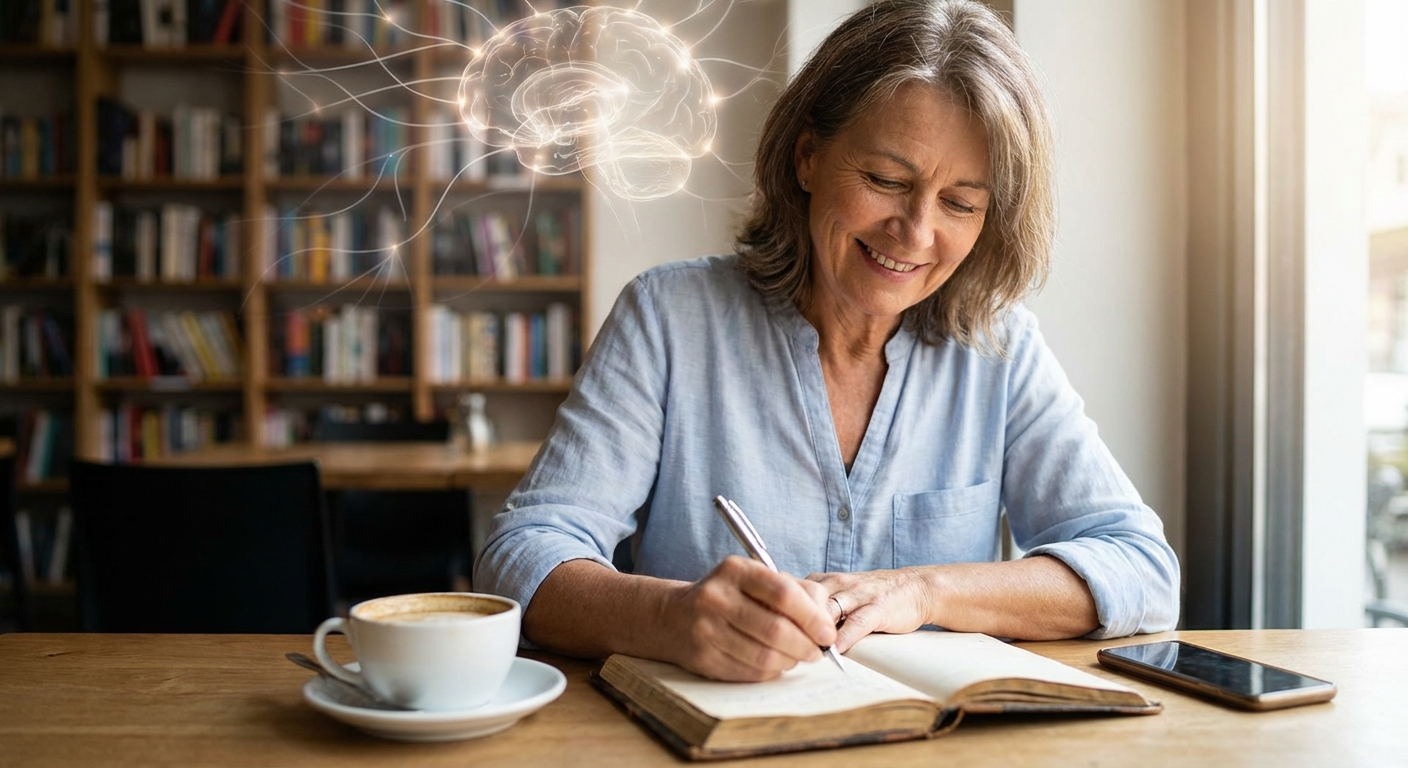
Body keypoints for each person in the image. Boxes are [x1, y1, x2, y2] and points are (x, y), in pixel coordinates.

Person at [473, 0, 1179, 682]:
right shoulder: (669, 317)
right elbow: (519, 557)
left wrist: (925, 591)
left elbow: (1141, 569)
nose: (916, 232)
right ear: (808, 157)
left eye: (961, 203)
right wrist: (670, 616)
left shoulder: (1000, 352)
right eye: (885, 179)